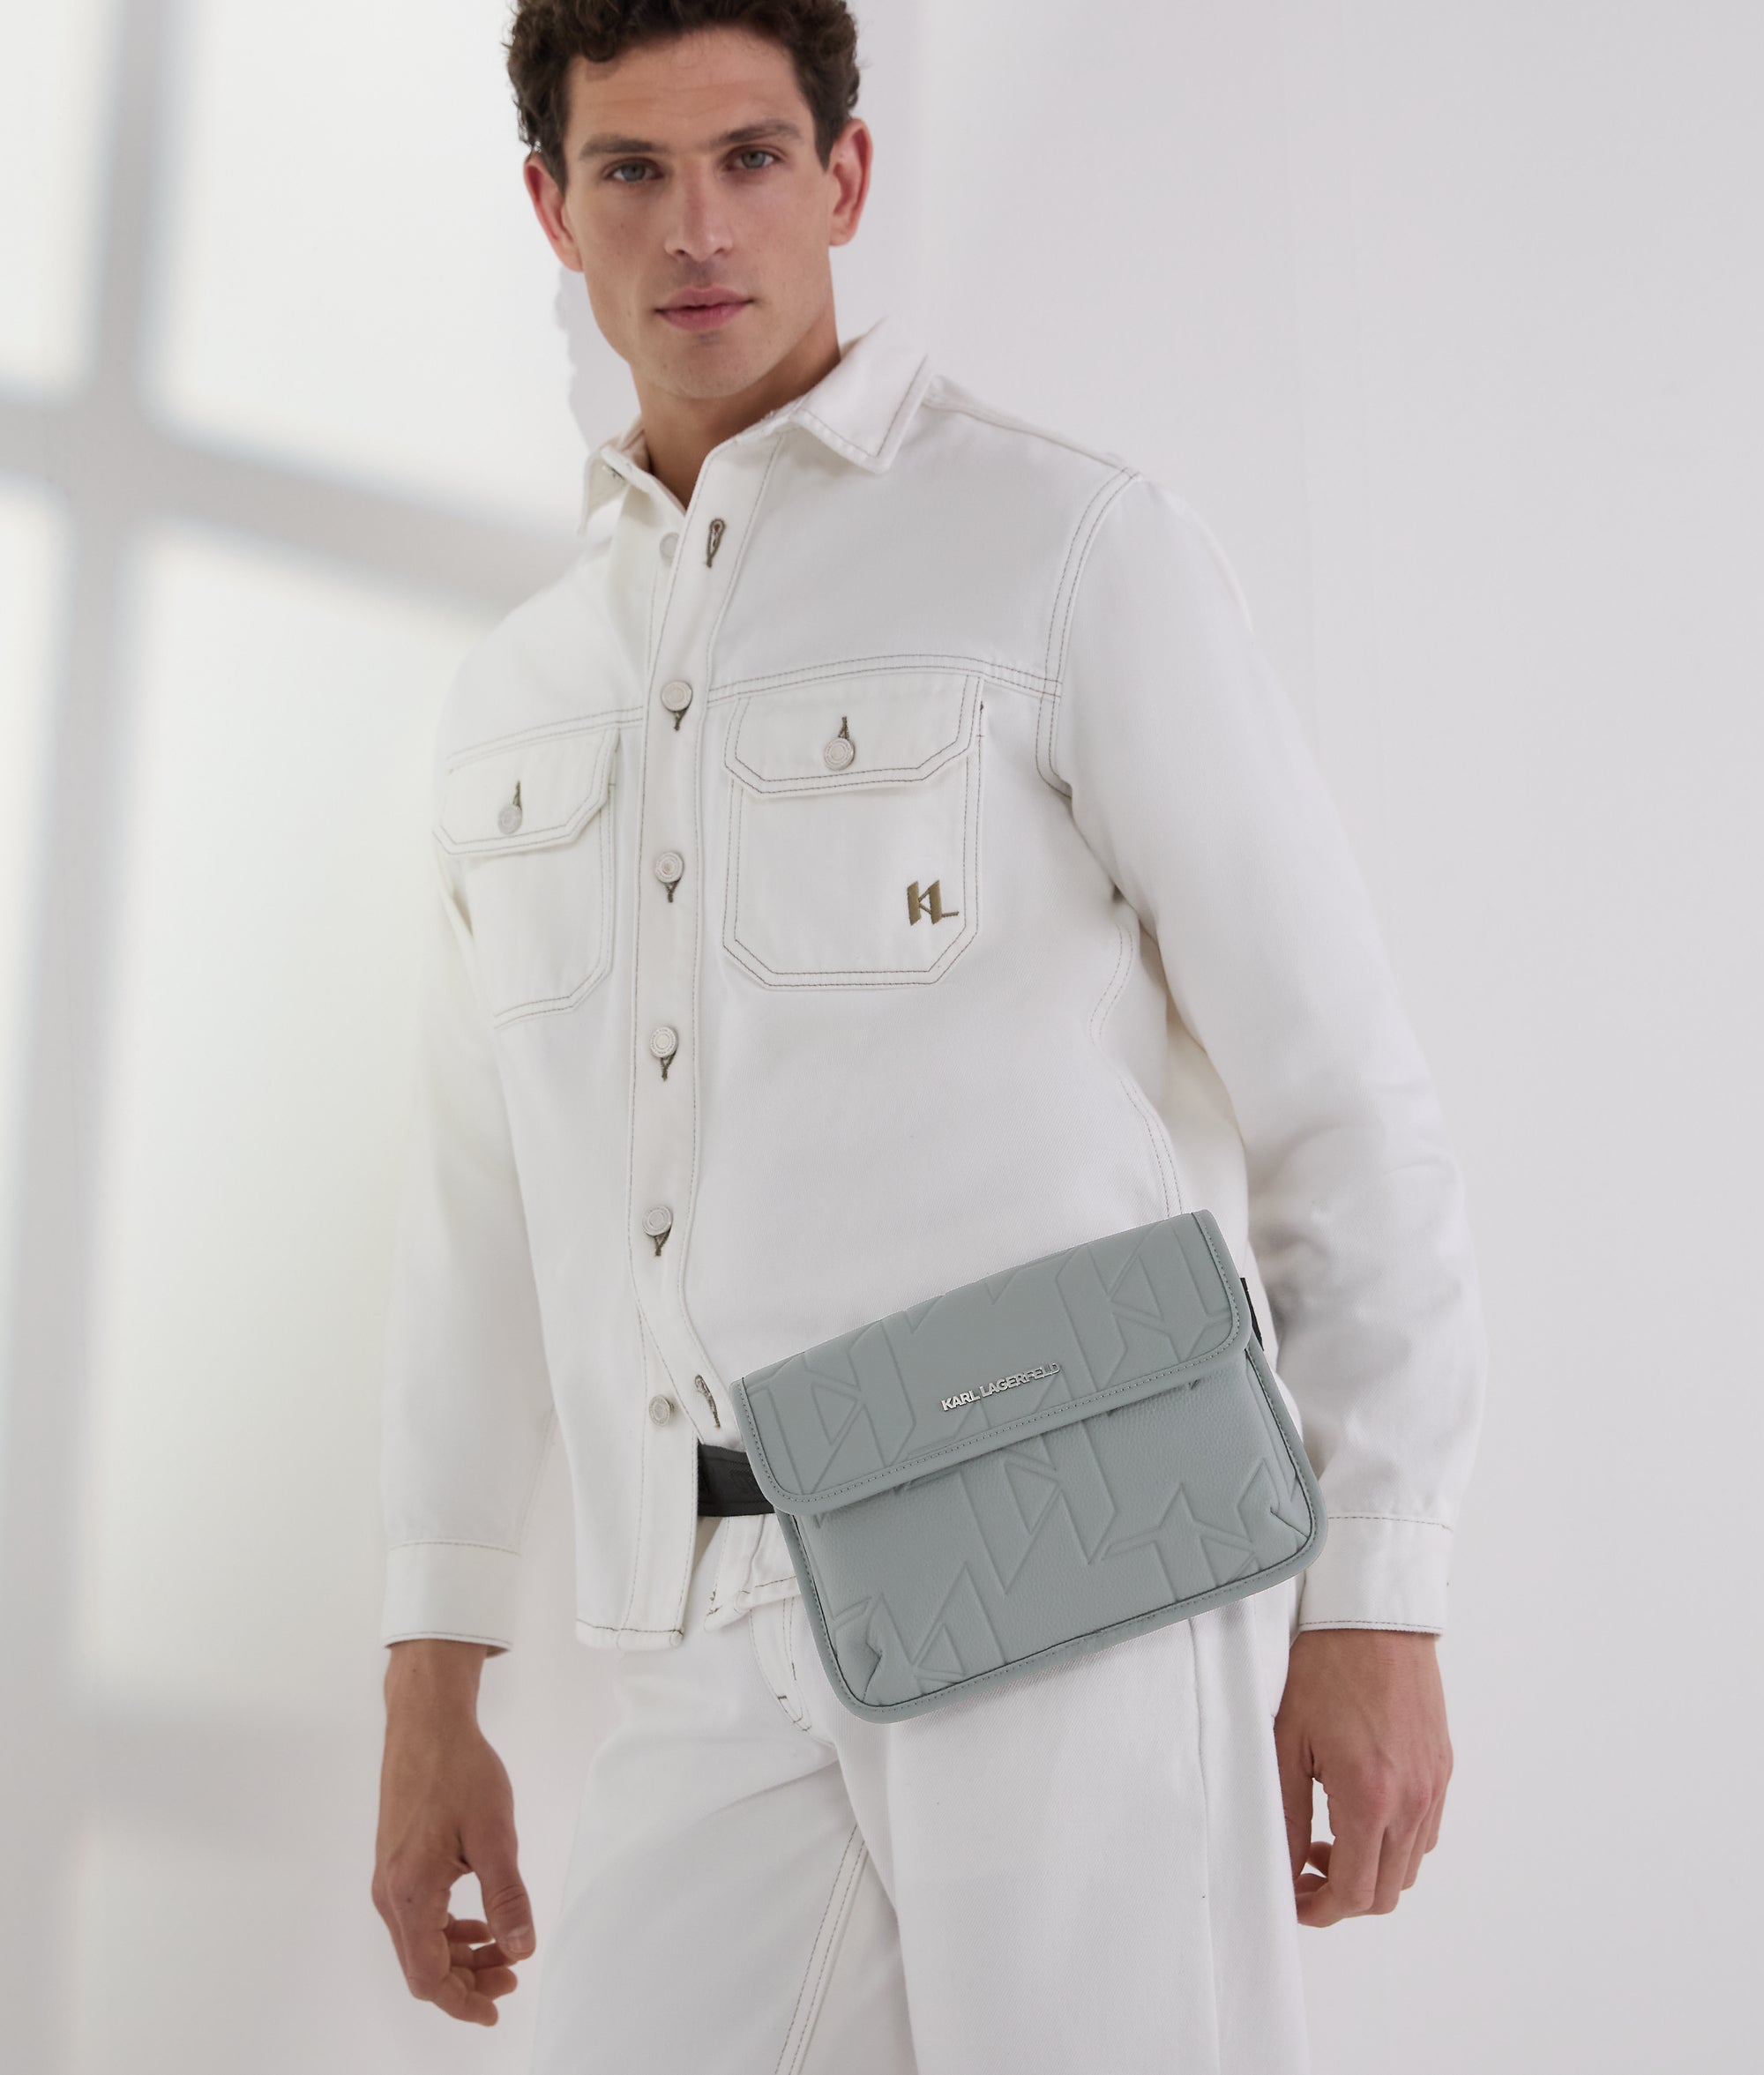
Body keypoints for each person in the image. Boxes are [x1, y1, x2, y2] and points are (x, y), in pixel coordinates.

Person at [370, 4, 1488, 2069]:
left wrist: (1378, 1592)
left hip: (1072, 1580)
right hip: (705, 1612)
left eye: (750, 158)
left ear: (845, 177)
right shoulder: (516, 699)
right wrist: (428, 1680)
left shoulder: (1066, 553)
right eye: (631, 171)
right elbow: (476, 1225)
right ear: (551, 207)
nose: (698, 227)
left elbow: (1340, 1092)